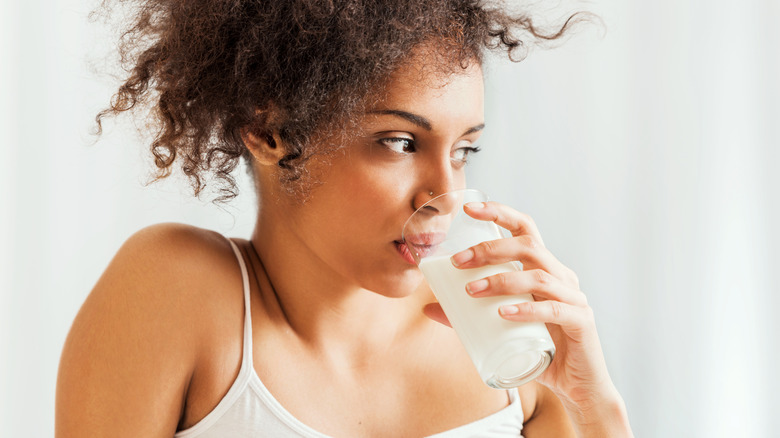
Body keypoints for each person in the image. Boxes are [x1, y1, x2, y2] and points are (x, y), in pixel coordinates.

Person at [56, 1, 633, 436]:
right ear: (270, 131)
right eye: (400, 142)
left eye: (463, 150)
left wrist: (594, 405)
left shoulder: (508, 342)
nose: (445, 192)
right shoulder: (179, 293)